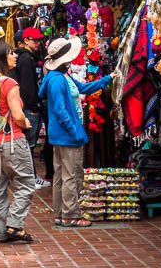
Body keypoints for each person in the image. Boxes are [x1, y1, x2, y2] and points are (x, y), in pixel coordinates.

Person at [39, 36, 113, 227]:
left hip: (64, 134)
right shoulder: (57, 80)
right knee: (71, 175)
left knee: (62, 175)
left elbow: (83, 88)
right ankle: (70, 214)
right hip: (66, 135)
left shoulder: (63, 76)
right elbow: (60, 110)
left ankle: (61, 213)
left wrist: (107, 79)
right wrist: (76, 131)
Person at [0, 41, 35, 244]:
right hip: (10, 142)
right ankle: (15, 224)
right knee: (27, 182)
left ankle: (1, 232)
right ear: (3, 58)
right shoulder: (9, 84)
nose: (15, 56)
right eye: (11, 53)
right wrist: (25, 122)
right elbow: (18, 115)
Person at [11, 27, 48, 189]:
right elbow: (27, 86)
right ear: (26, 41)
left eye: (40, 40)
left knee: (28, 144)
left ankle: (30, 176)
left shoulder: (30, 57)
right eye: (35, 40)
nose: (38, 43)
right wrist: (33, 106)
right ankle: (29, 178)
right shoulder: (26, 59)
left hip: (31, 106)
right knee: (28, 144)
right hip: (29, 107)